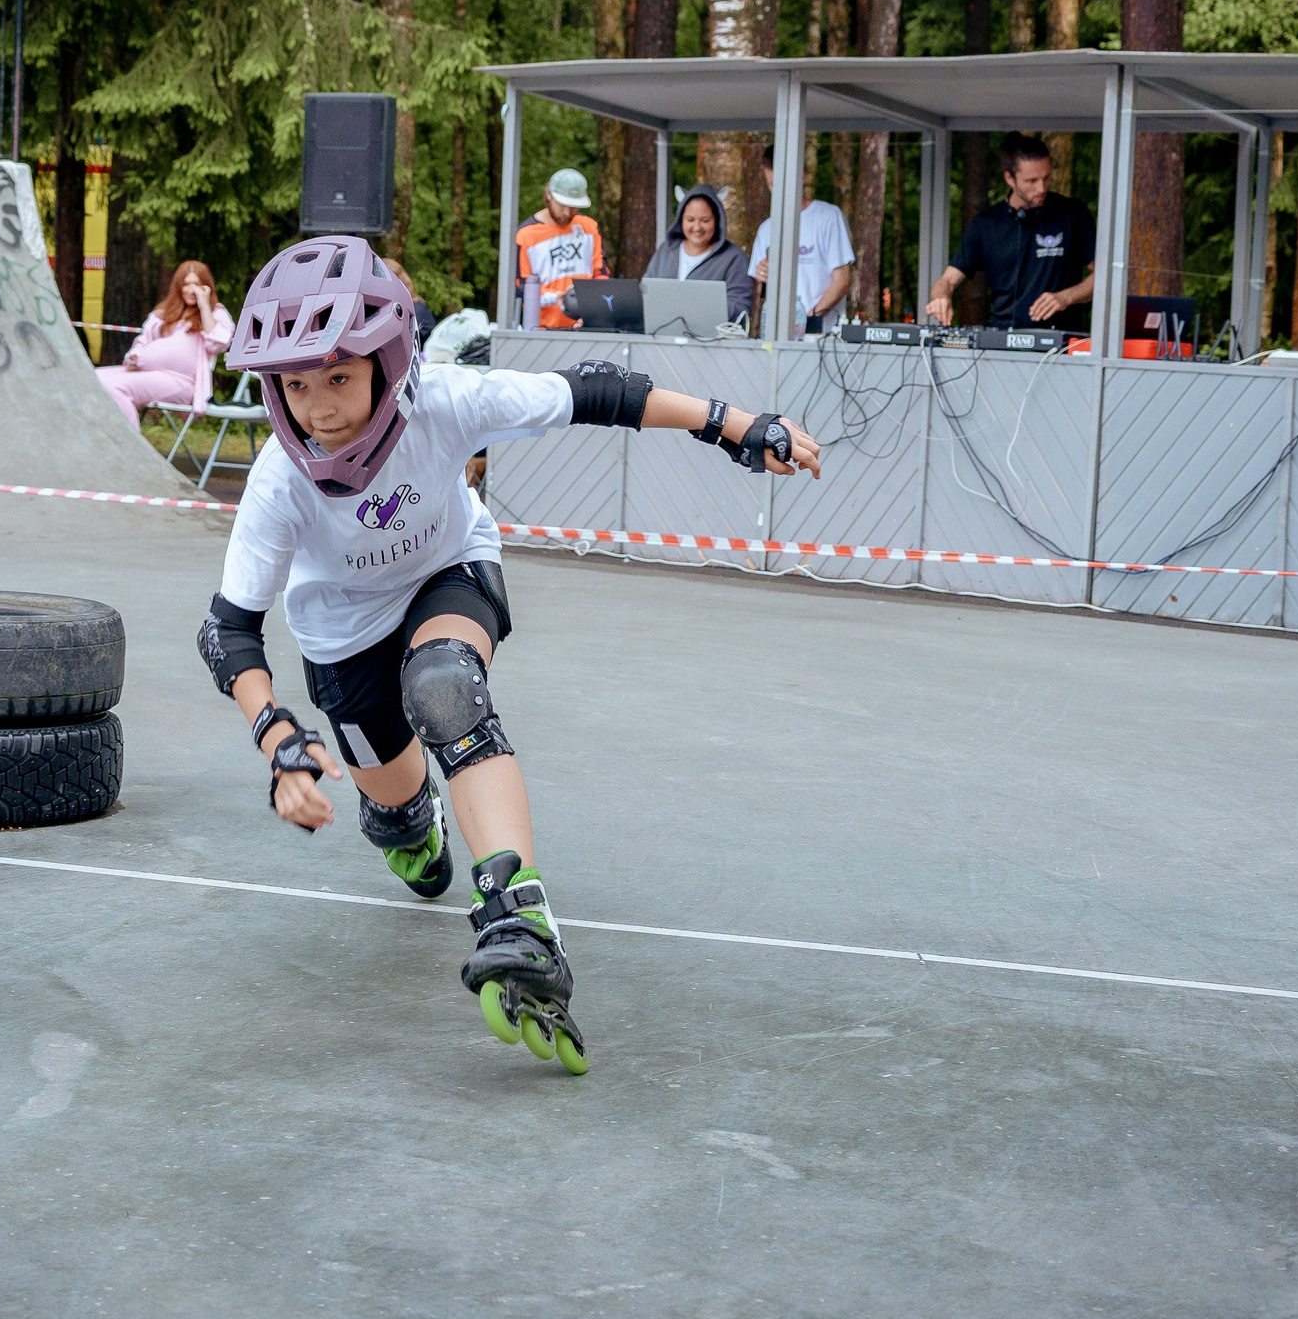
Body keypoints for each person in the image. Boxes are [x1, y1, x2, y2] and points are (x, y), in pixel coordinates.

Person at [197, 235, 821, 1075]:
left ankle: (518, 913)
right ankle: (408, 822)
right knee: (404, 832)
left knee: (445, 688)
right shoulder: (280, 479)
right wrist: (280, 742)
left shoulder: (447, 401)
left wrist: (735, 425)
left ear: (388, 363)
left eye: (339, 378)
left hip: (446, 574)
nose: (319, 410)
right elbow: (230, 630)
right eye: (297, 386)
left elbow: (600, 391)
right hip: (341, 638)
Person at [926, 131, 1096, 331]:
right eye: (1031, 181)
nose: (1041, 188)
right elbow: (947, 280)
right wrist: (940, 297)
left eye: (1046, 178)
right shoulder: (986, 224)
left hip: (1063, 341)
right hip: (1002, 338)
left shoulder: (1073, 214)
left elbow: (1104, 276)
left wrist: (1066, 297)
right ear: (1009, 178)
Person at [96, 260, 234, 429]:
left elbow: (219, 343)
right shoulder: (162, 313)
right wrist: (134, 357)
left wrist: (204, 306)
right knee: (94, 377)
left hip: (183, 382)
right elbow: (143, 341)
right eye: (186, 284)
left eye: (197, 285)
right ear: (178, 286)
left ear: (206, 287)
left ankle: (129, 442)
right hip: (147, 372)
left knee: (115, 387)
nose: (191, 290)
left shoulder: (215, 314)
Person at [747, 145, 855, 336]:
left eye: (785, 183)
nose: (780, 191)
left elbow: (843, 279)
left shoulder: (828, 217)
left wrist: (810, 319)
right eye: (773, 184)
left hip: (823, 336)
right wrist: (762, 275)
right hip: (778, 336)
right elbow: (760, 294)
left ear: (803, 177)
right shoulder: (766, 229)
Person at [641, 185, 755, 325]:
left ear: (718, 220)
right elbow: (645, 291)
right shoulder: (666, 250)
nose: (697, 227)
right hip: (661, 335)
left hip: (712, 338)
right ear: (681, 219)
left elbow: (741, 309)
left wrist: (702, 305)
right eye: (690, 219)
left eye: (705, 220)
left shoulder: (734, 258)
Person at [513, 167, 608, 330]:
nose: (567, 212)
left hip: (586, 327)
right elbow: (521, 287)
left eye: (574, 207)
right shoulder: (526, 235)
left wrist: (594, 309)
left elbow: (601, 275)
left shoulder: (589, 227)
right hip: (542, 328)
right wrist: (555, 297)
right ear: (548, 195)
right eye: (562, 205)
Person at [377, 252, 440, 351]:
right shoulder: (400, 309)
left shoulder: (417, 308)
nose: (404, 279)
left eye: (401, 272)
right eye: (396, 275)